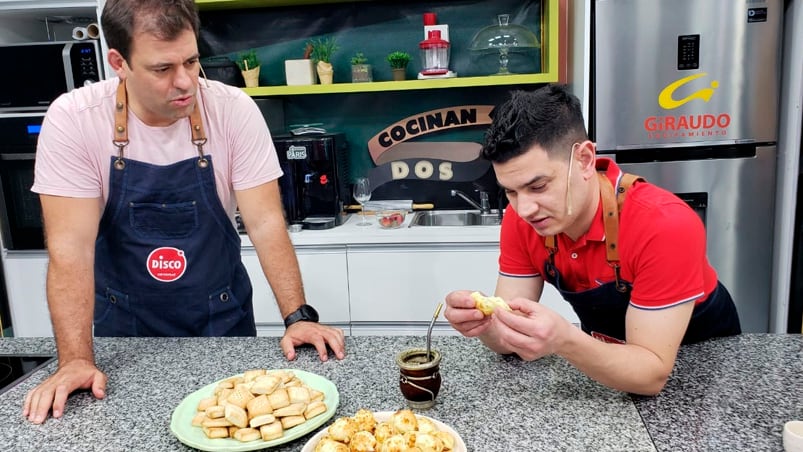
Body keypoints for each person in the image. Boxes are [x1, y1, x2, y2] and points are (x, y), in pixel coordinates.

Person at [23, 0, 345, 424]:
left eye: (192, 61)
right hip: (124, 339)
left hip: (222, 324)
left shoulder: (232, 110)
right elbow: (70, 249)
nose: (185, 82)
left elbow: (266, 223)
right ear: (118, 62)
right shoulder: (74, 120)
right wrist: (75, 360)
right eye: (162, 69)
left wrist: (298, 317)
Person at [444, 84, 741, 396]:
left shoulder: (665, 225)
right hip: (613, 368)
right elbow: (509, 337)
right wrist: (486, 327)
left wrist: (565, 340)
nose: (525, 209)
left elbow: (650, 375)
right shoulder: (523, 220)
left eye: (539, 185)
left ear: (585, 159)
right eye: (510, 191)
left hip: (704, 367)